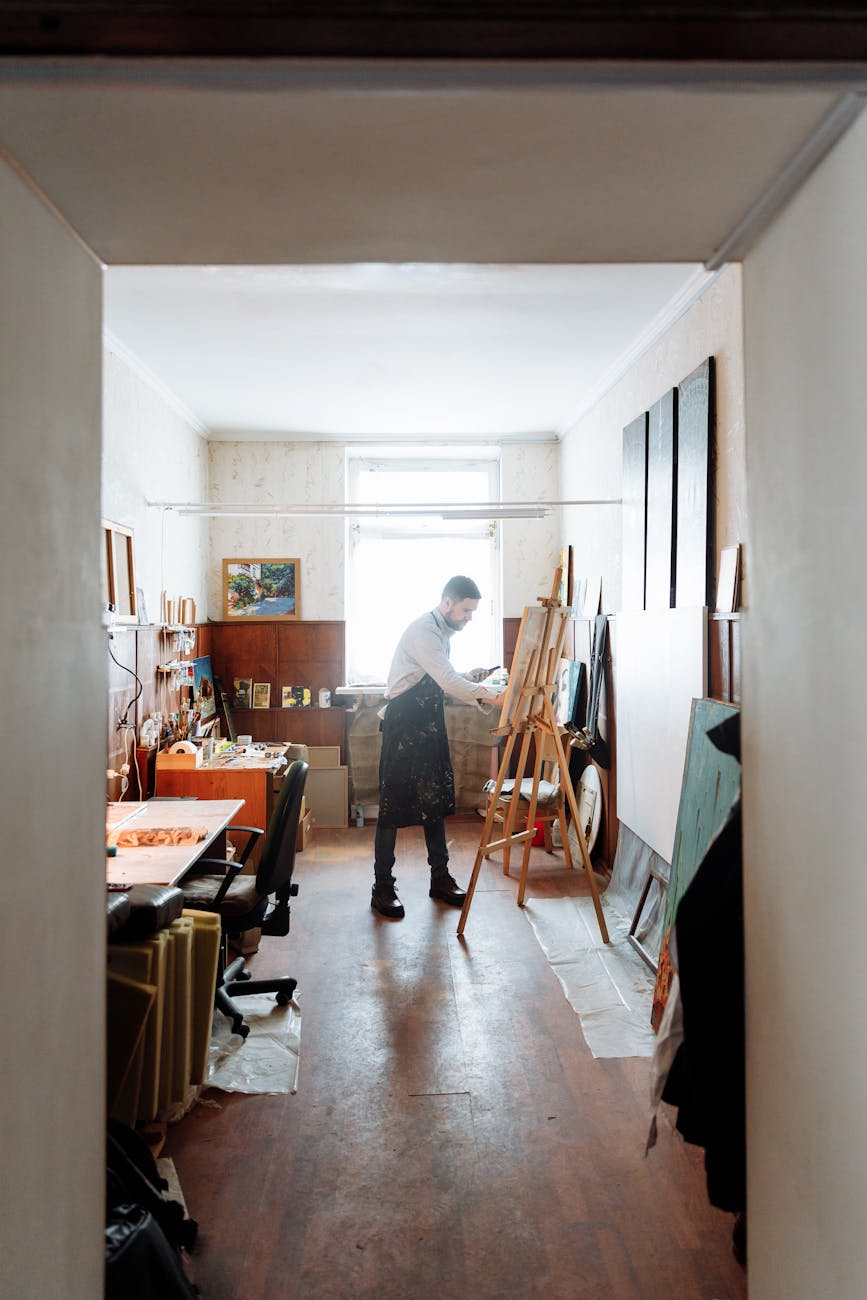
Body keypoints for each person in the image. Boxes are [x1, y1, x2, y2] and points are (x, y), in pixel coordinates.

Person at [371, 575, 506, 919]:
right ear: (447, 603)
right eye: (465, 610)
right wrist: (494, 696)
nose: (469, 617)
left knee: (435, 802)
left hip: (428, 725)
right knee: (391, 807)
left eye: (472, 612)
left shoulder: (441, 631)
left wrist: (470, 676)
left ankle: (440, 878)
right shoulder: (425, 631)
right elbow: (445, 680)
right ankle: (382, 886)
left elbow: (438, 675)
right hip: (403, 725)